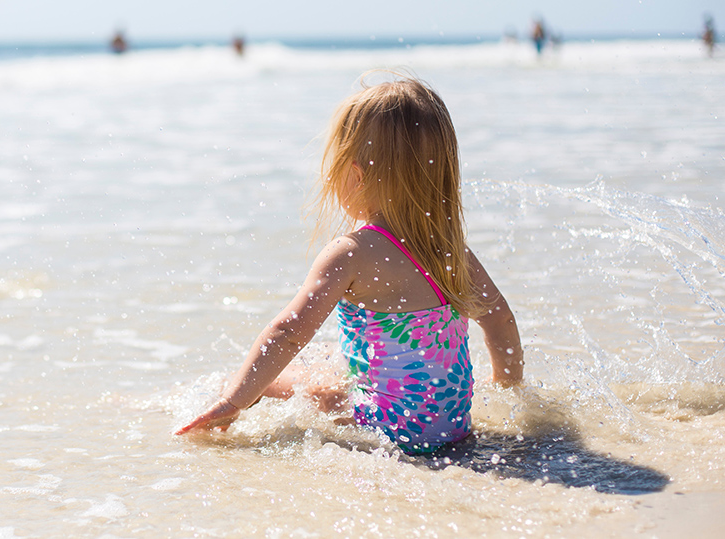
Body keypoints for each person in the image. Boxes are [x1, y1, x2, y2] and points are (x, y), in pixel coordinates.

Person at [176, 73, 524, 455]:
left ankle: (208, 402)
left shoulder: (351, 253)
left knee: (284, 382)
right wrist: (507, 390)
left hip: (386, 431)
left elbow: (287, 333)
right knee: (329, 357)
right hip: (452, 430)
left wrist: (235, 400)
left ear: (355, 175)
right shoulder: (452, 251)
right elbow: (500, 320)